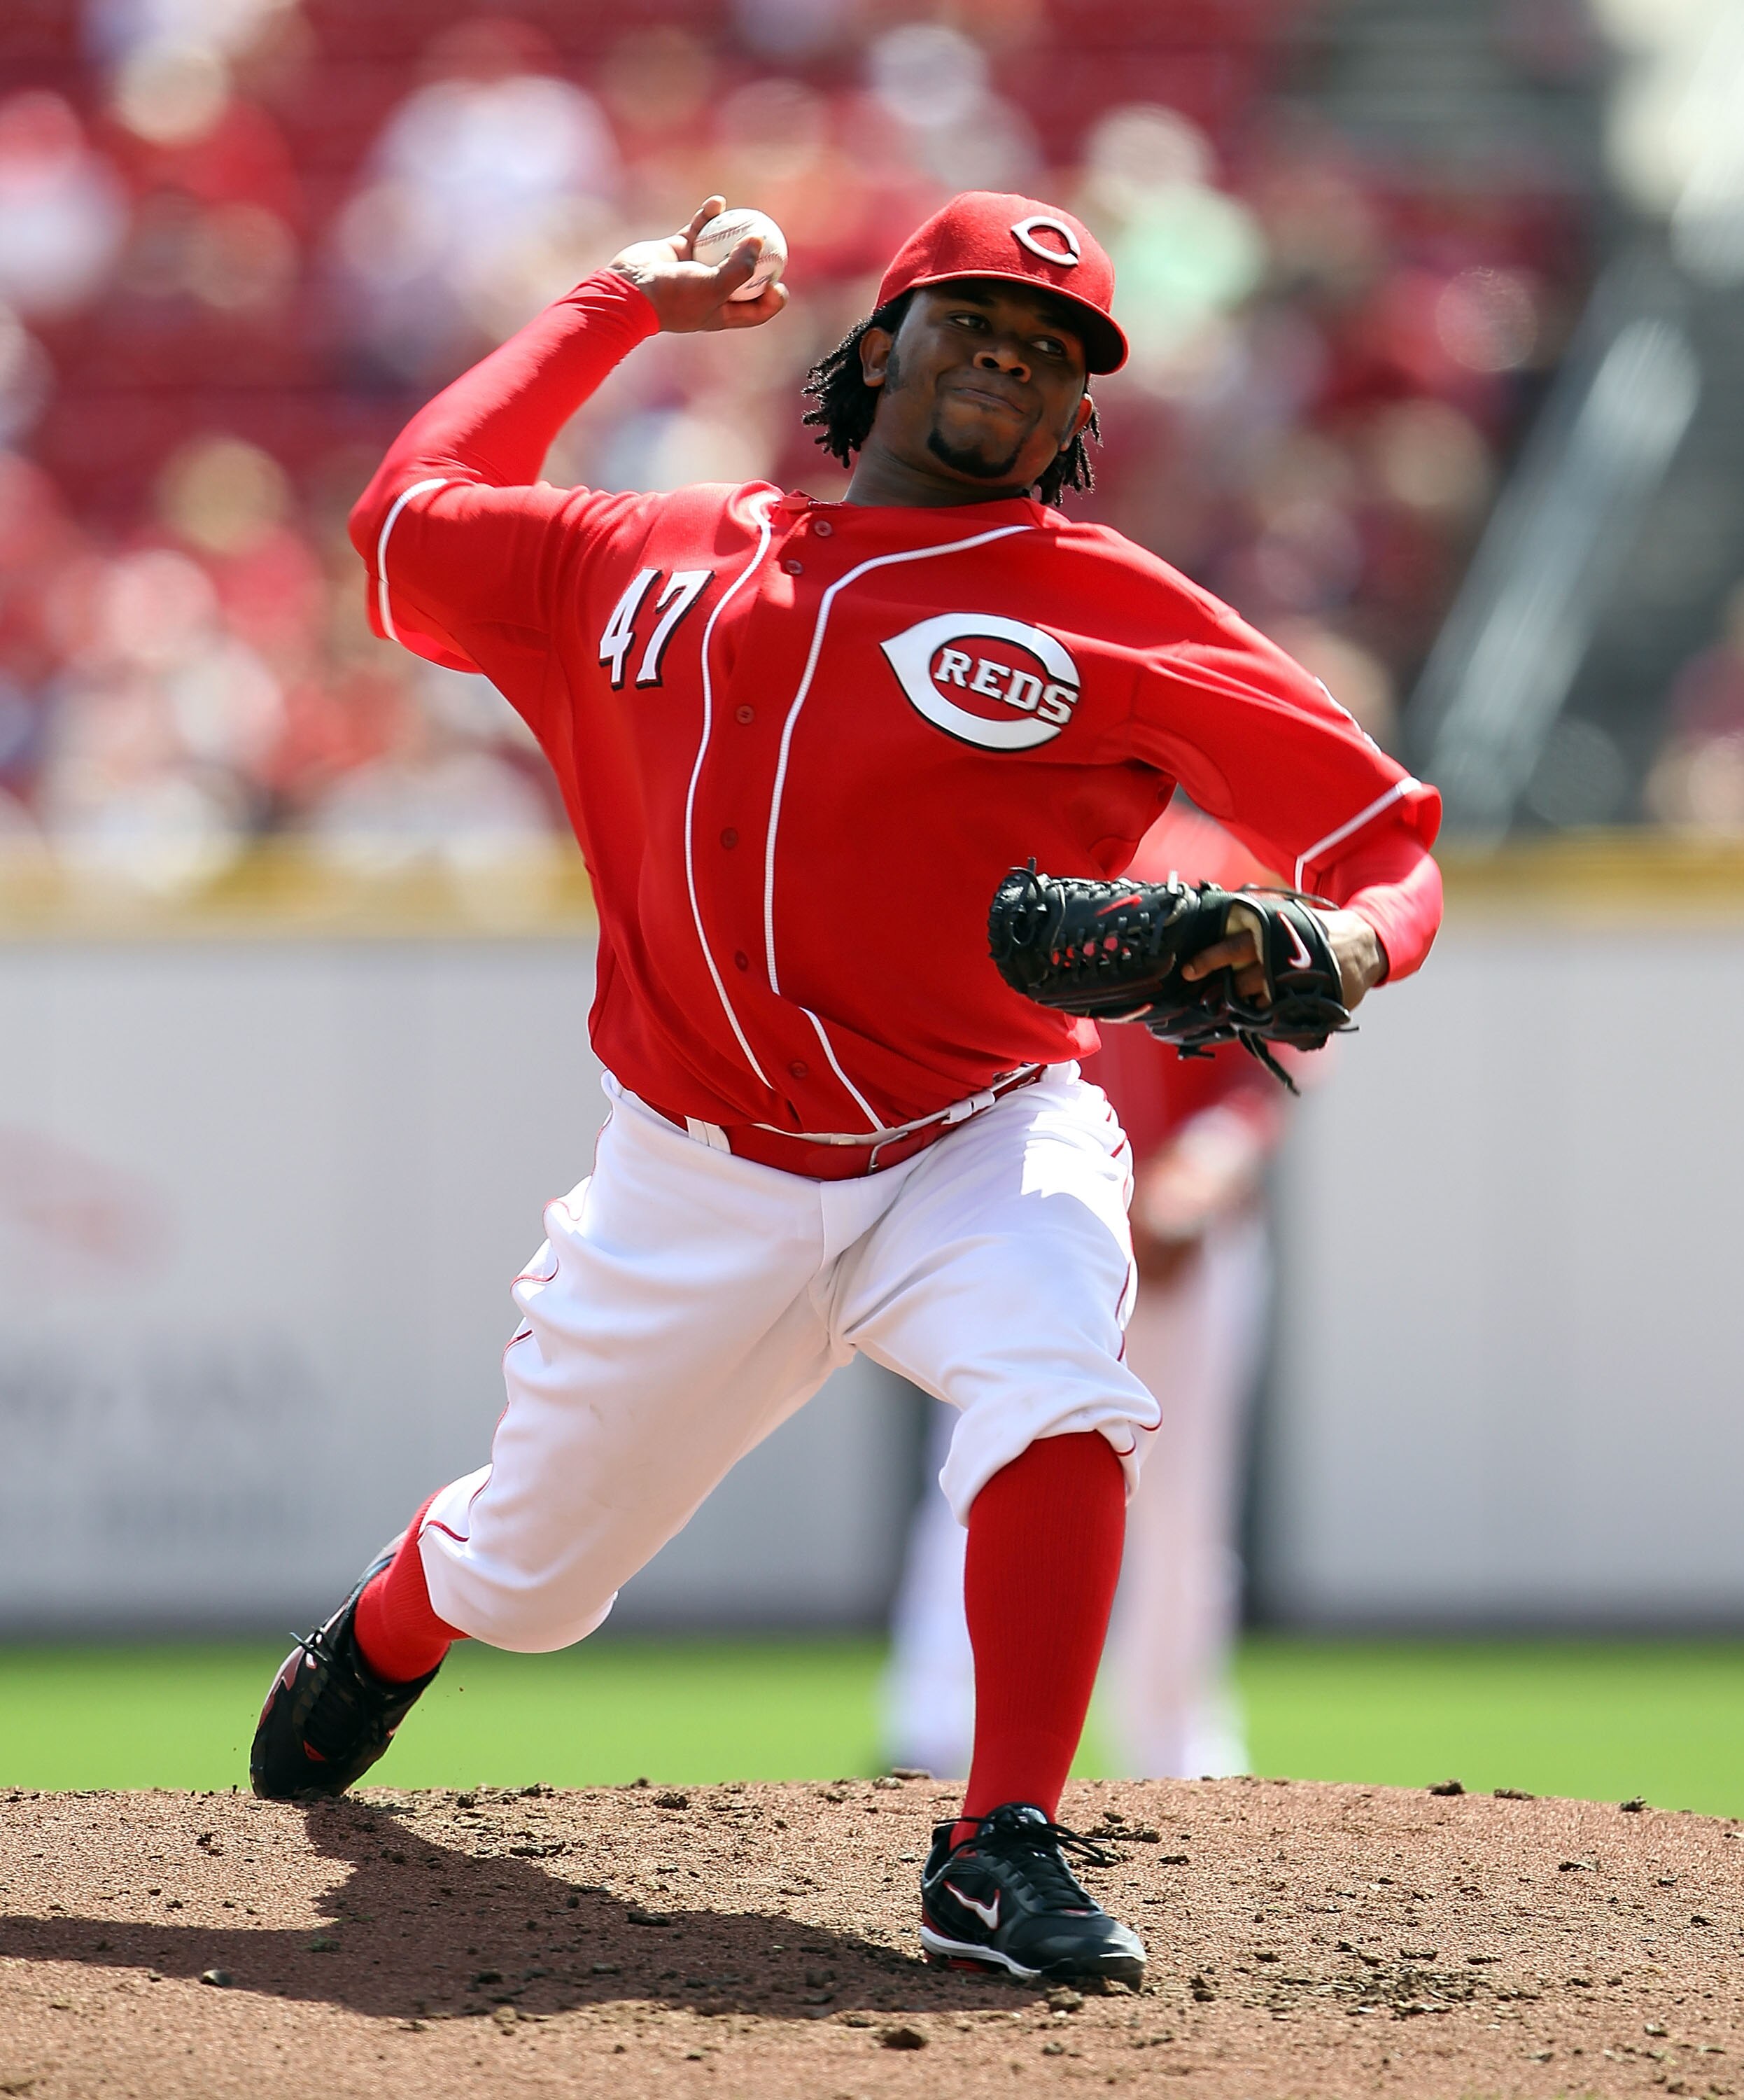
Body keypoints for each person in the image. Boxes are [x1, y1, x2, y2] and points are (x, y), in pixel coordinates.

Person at [248, 188, 1442, 1989]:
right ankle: (402, 1619)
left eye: (1053, 354)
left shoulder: (1110, 610)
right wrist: (612, 306)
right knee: (539, 1583)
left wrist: (1345, 949)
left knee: (1061, 1381)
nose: (1008, 359)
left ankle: (998, 1842)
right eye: (971, 319)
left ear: (1076, 423)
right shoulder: (641, 556)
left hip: (980, 1126)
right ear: (878, 345)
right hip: (694, 1175)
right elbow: (404, 519)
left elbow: (1386, 842)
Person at [885, 798, 1296, 1784]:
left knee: (1183, 1503)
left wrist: (1199, 1176)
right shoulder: (1013, 845)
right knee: (982, 1470)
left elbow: (1267, 1070)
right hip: (1042, 1220)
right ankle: (932, 1735)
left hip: (1183, 1242)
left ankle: (1177, 1748)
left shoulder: (1224, 859)